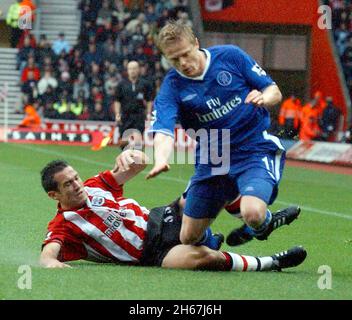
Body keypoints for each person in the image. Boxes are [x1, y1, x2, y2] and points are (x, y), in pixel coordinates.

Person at [146, 21, 301, 248]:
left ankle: (263, 223)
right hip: (212, 158)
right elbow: (164, 130)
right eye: (174, 60)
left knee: (253, 213)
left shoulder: (230, 57)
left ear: (196, 43)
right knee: (188, 237)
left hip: (252, 148)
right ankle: (214, 242)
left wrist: (264, 98)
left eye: (186, 54)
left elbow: (273, 90)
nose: (183, 63)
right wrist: (160, 159)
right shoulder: (172, 86)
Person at [39, 149, 307, 271]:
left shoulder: (95, 185)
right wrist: (51, 263)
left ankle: (261, 224)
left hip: (161, 218)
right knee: (203, 257)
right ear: (54, 195)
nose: (77, 185)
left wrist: (132, 155)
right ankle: (272, 262)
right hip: (151, 253)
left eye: (75, 177)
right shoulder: (63, 225)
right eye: (68, 184)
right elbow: (49, 251)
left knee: (211, 187)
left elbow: (140, 164)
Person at [115, 60, 153, 148]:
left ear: (139, 70)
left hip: (138, 115)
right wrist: (117, 114)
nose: (132, 70)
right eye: (130, 69)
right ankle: (126, 158)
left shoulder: (145, 84)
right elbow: (117, 100)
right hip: (125, 115)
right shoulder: (121, 84)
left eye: (135, 68)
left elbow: (149, 100)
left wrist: (148, 113)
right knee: (123, 143)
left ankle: (136, 160)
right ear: (127, 70)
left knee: (138, 142)